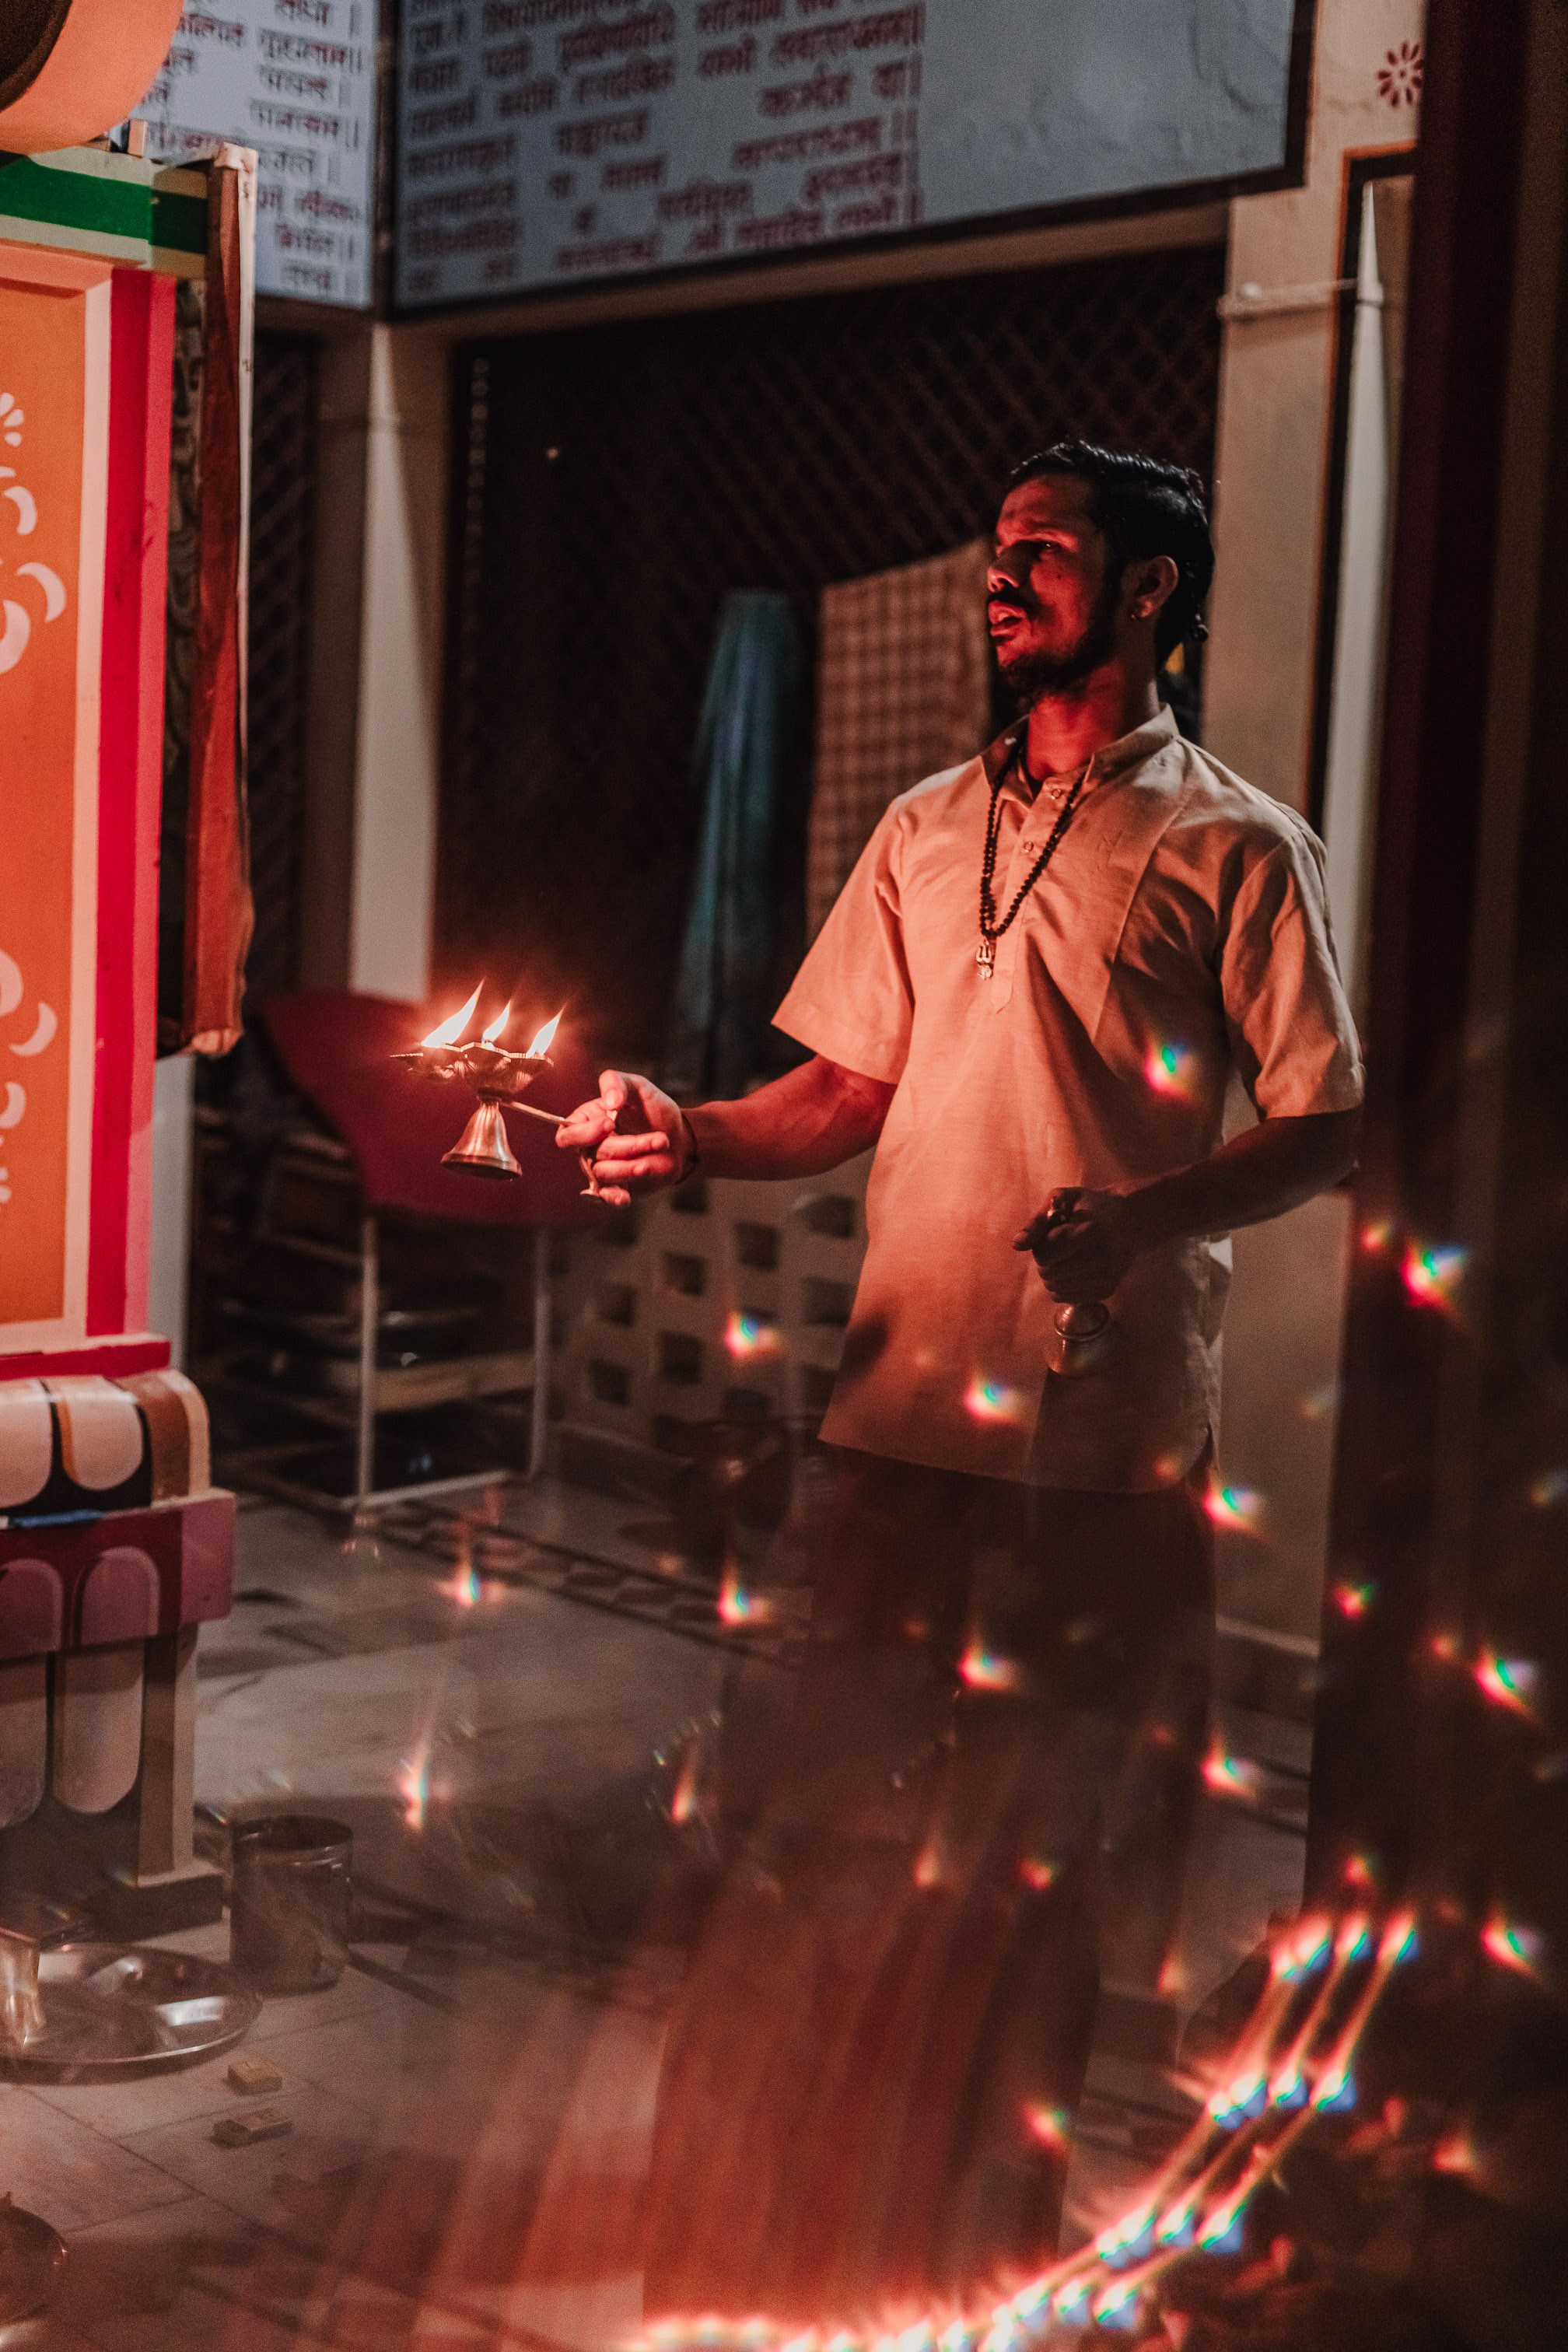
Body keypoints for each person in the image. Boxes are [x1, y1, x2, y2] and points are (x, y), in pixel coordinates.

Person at [558, 442, 1363, 2319]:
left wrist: (1154, 1212)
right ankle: (809, 2203)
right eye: (996, 554)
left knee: (1032, 1855)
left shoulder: (1238, 844)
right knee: (826, 1825)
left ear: (1153, 589)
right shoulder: (927, 827)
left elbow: (1330, 1126)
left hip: (1095, 1450)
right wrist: (678, 1126)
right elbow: (838, 1098)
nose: (1001, 580)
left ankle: (986, 2235)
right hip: (897, 1426)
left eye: (1047, 553)